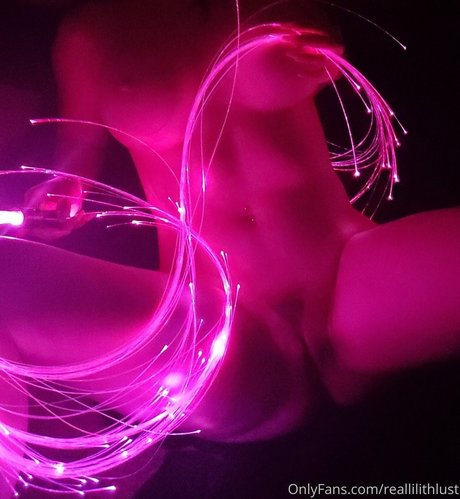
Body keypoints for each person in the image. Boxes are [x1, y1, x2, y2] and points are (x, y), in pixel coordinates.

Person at [0, 0, 459, 496]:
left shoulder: (258, 5)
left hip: (351, 275)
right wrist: (62, 194)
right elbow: (76, 159)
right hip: (215, 322)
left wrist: (308, 52)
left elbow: (319, 46)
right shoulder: (89, 34)